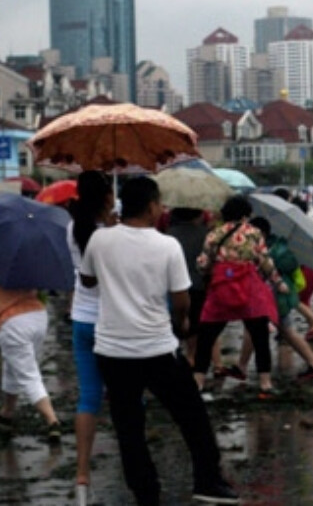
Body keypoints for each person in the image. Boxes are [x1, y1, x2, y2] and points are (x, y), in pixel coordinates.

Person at [79, 176, 238, 505]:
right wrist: (181, 324)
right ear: (152, 206)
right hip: (156, 348)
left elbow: (88, 279)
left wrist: (107, 235)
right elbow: (181, 300)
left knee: (129, 427)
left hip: (112, 349)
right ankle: (207, 481)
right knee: (192, 418)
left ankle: (146, 493)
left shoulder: (99, 239)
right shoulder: (166, 245)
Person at [193, 195, 285, 399]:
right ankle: (265, 383)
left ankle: (198, 381)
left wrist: (211, 269)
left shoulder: (214, 234)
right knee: (260, 336)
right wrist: (278, 282)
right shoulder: (254, 233)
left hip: (222, 288)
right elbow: (265, 261)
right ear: (245, 214)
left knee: (207, 336)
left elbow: (203, 264)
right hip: (249, 289)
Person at [66, 170, 117, 504]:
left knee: (89, 399)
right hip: (112, 323)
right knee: (128, 396)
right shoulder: (109, 235)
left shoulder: (74, 228)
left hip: (81, 319)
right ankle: (133, 464)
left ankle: (82, 475)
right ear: (106, 198)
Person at [229, 217, 313, 381]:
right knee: (280, 330)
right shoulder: (277, 246)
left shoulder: (264, 249)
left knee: (270, 329)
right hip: (277, 297)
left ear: (261, 232)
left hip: (271, 298)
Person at [0, 289, 62, 443]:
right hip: (38, 315)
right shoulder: (27, 267)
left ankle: (52, 420)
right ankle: (7, 413)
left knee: (28, 374)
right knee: (13, 366)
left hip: (13, 322)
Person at [165, 207, 214, 368]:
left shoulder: (168, 234)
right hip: (198, 284)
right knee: (195, 323)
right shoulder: (205, 234)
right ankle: (192, 357)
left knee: (173, 321)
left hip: (173, 285)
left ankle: (174, 354)